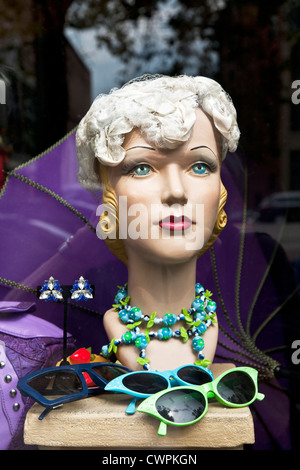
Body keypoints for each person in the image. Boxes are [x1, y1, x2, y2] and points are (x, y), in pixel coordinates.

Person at [76, 74, 240, 371]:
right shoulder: (115, 327)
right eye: (141, 168)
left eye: (200, 166)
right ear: (108, 195)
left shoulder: (212, 326)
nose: (176, 191)